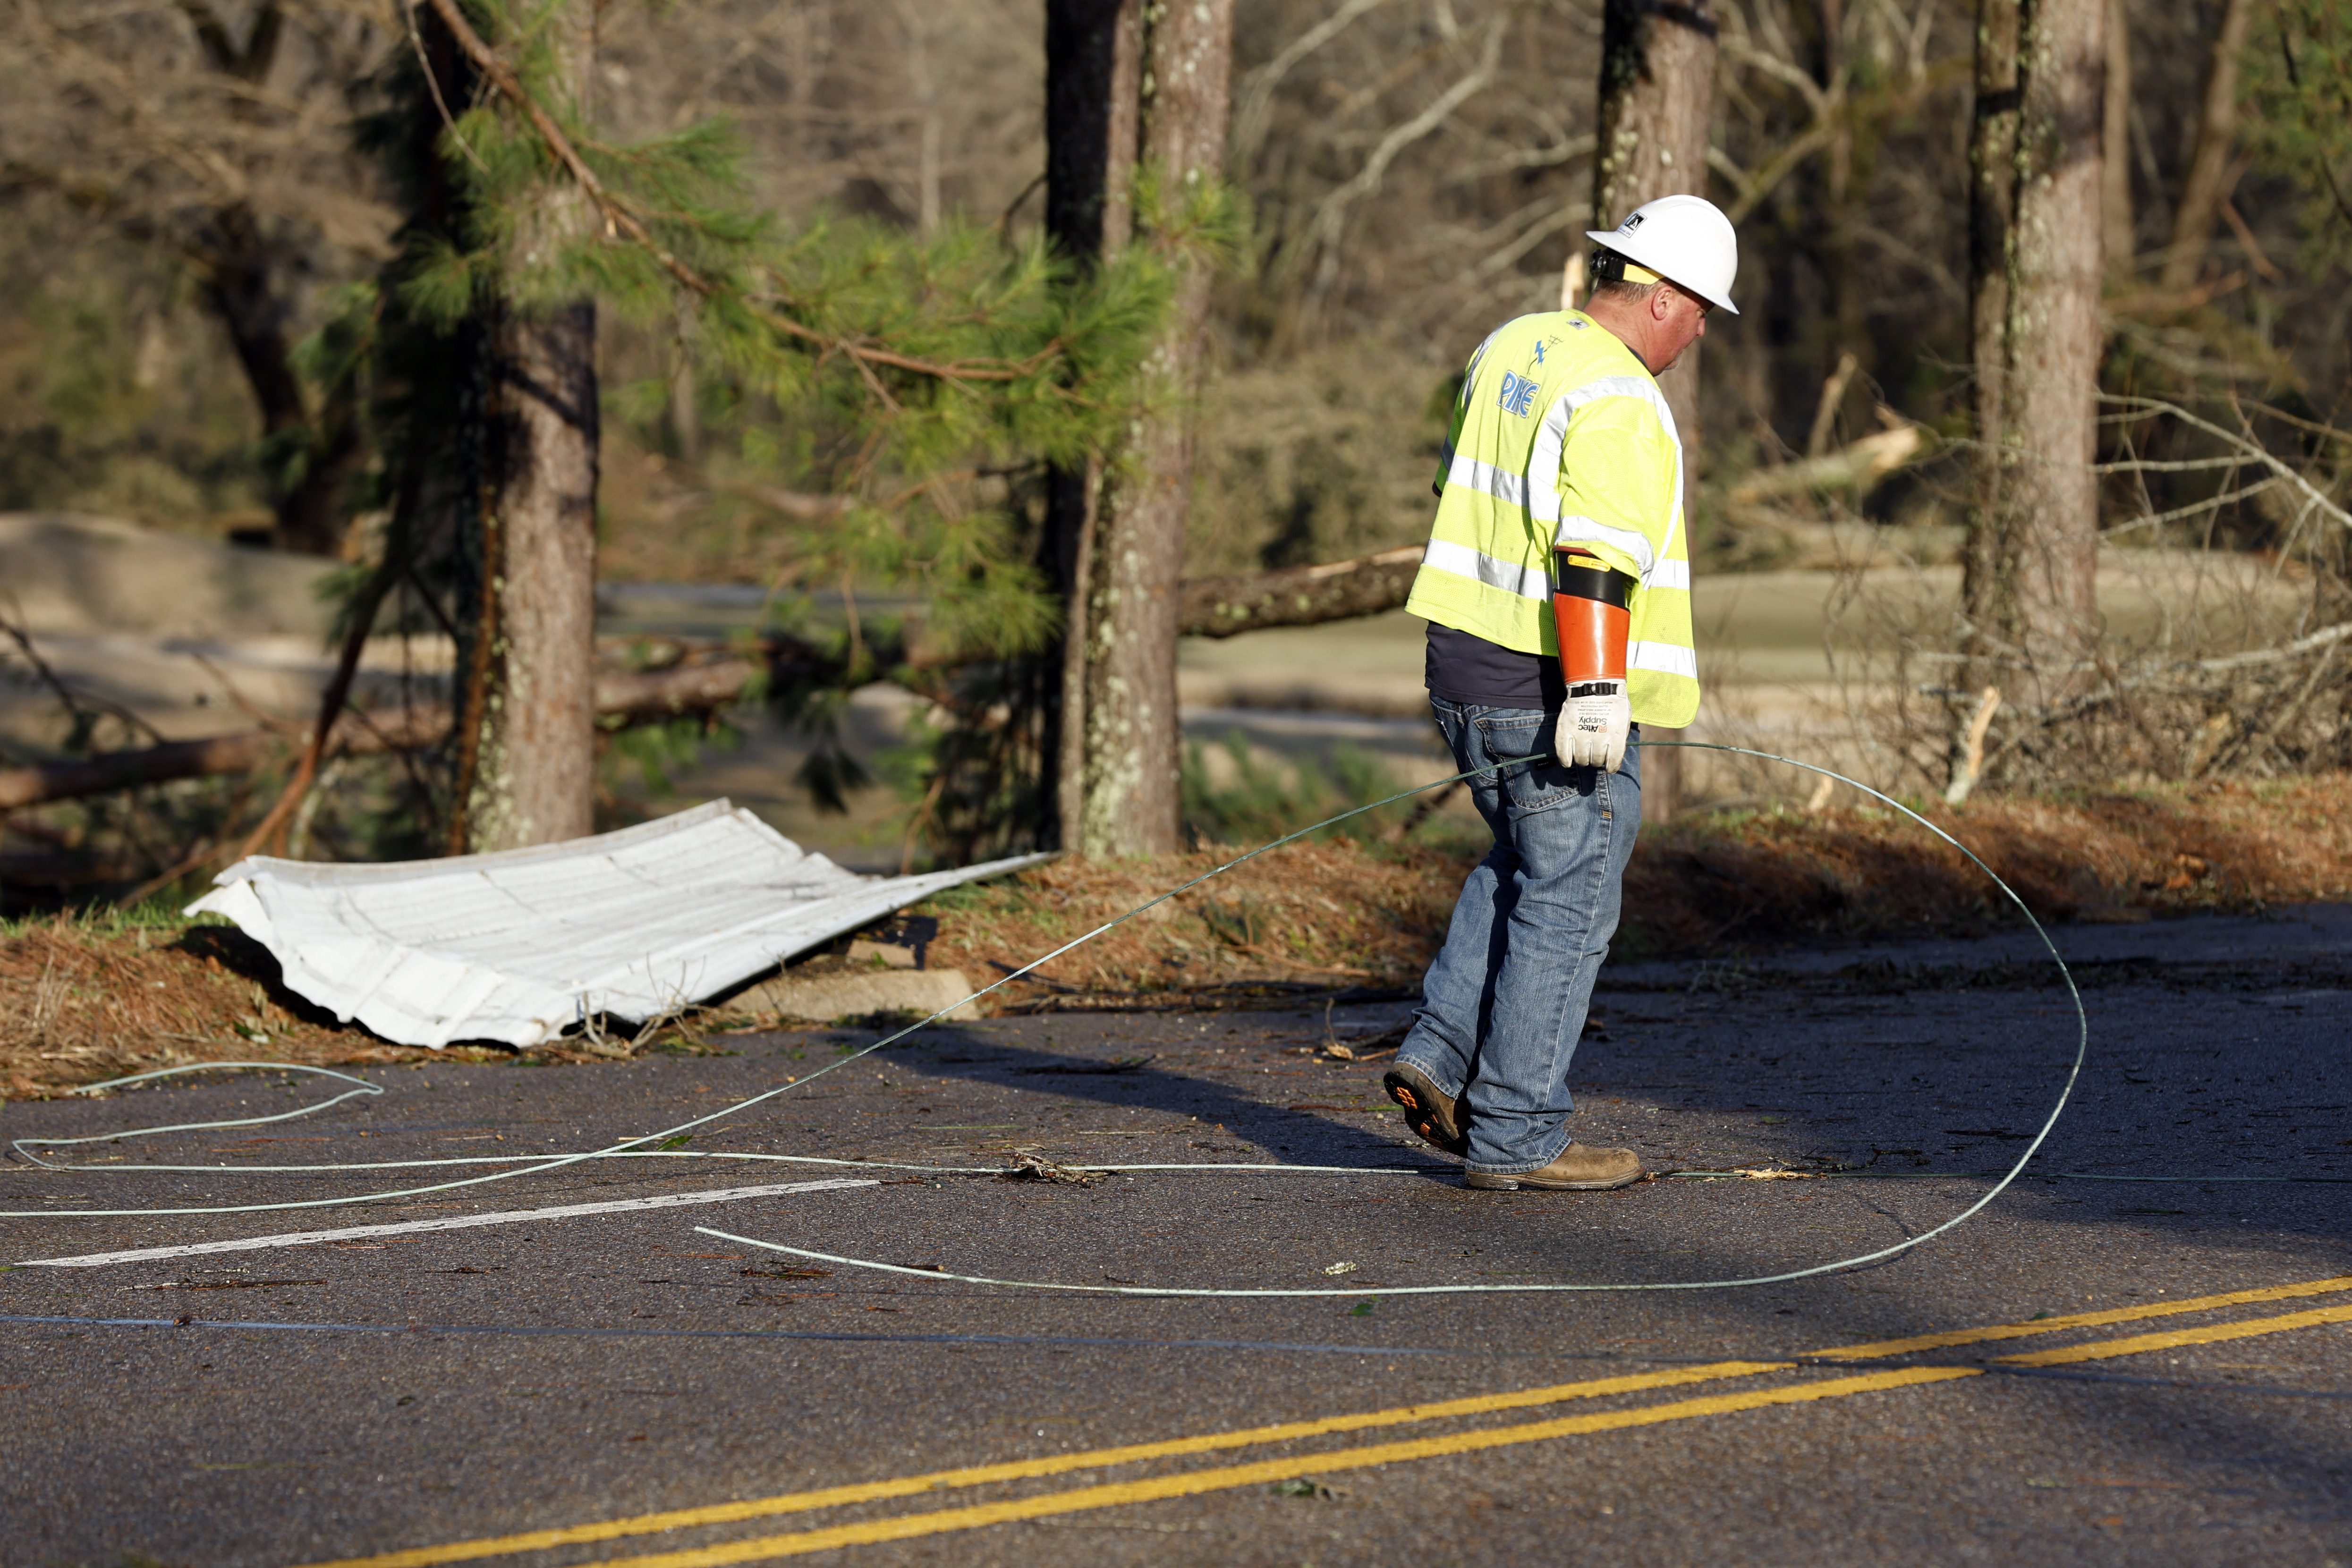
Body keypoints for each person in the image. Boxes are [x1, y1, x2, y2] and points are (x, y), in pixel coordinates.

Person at [1382, 194, 1739, 1191]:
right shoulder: (1621, 398)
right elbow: (1592, 558)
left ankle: (1440, 1054)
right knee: (1570, 900)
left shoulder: (1516, 345)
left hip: (1460, 664)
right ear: (1662, 297)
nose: (1703, 327)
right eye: (1703, 306)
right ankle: (1516, 1133)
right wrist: (1592, 690)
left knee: (1523, 862)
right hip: (1546, 683)